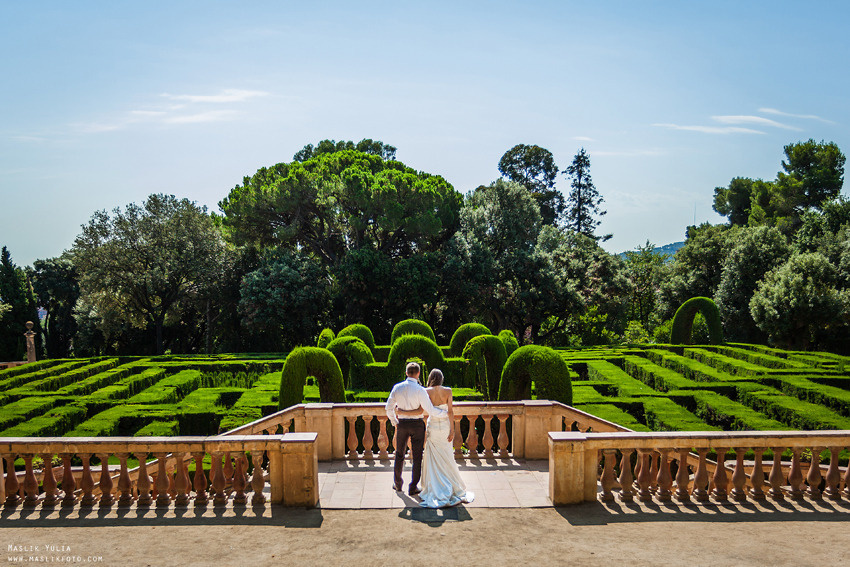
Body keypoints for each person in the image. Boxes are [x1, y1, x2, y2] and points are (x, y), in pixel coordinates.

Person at [397, 369, 474, 507]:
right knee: (446, 456)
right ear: (441, 378)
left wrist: (402, 411)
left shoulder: (426, 391)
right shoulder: (448, 391)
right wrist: (452, 429)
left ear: (431, 378)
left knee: (432, 457)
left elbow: (422, 411)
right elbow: (450, 411)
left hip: (433, 426)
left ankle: (435, 486)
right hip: (444, 427)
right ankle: (450, 484)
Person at [384, 362, 447, 496]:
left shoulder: (397, 387)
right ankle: (413, 487)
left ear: (406, 373)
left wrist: (395, 421)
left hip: (402, 424)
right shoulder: (420, 390)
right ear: (418, 374)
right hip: (417, 425)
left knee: (399, 454)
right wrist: (444, 414)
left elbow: (388, 408)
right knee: (417, 457)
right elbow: (430, 410)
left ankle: (398, 483)